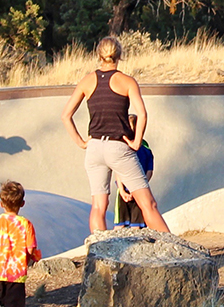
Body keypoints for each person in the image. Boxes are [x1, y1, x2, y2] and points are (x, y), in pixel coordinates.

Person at [62, 37, 171, 233]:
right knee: (148, 204)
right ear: (119, 55)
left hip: (94, 147)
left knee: (98, 207)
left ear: (98, 54)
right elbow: (142, 114)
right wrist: (137, 142)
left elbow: (65, 115)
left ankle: (99, 255)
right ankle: (174, 253)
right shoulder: (127, 81)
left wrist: (81, 142)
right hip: (118, 147)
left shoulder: (87, 80)